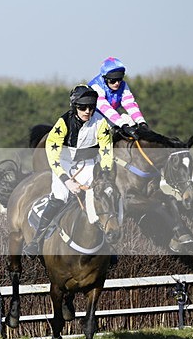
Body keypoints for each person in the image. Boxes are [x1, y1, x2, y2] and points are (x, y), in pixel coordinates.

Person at [22, 85, 114, 257]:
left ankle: (108, 242)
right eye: (83, 107)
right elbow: (52, 155)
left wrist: (106, 173)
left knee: (102, 195)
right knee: (60, 197)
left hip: (88, 164)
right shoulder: (63, 123)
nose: (87, 111)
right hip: (64, 165)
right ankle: (36, 241)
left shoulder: (101, 123)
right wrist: (66, 180)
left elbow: (106, 150)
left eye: (91, 107)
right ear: (74, 106)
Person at [88, 57, 147, 140]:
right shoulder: (96, 86)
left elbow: (130, 104)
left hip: (112, 115)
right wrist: (123, 125)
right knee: (113, 127)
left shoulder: (123, 85)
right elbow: (105, 108)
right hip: (94, 118)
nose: (117, 83)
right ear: (105, 78)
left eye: (119, 79)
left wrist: (142, 122)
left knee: (130, 121)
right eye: (113, 81)